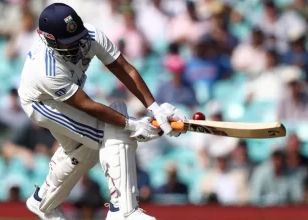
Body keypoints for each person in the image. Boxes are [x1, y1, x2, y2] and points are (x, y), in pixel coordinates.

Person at [17, 3, 186, 220]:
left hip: (67, 95)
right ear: (50, 40)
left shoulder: (90, 35)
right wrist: (133, 125)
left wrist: (154, 108)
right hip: (42, 102)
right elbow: (86, 105)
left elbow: (123, 68)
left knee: (85, 152)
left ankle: (42, 201)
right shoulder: (48, 70)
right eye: (69, 43)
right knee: (112, 133)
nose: (77, 46)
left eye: (78, 37)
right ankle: (122, 210)